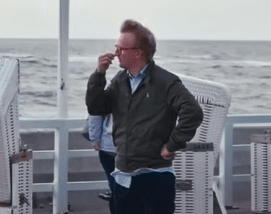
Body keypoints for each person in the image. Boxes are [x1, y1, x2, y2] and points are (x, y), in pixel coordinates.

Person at [86, 19, 203, 214]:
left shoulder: (166, 82)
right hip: (124, 174)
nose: (116, 53)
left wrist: (173, 144)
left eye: (121, 49)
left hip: (155, 176)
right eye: (116, 47)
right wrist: (99, 74)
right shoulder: (120, 80)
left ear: (138, 53)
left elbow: (193, 111)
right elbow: (96, 106)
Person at [88, 113, 116, 210]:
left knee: (115, 186)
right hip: (136, 145)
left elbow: (96, 113)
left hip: (109, 143)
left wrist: (95, 138)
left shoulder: (106, 97)